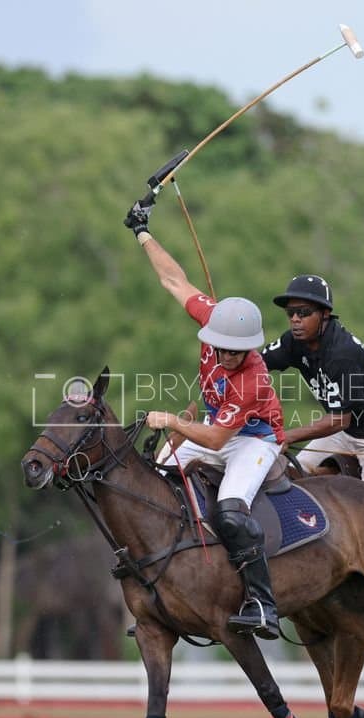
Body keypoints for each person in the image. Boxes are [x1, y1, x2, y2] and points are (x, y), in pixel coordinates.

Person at [123, 197, 284, 640]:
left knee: (231, 512)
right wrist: (143, 234)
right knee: (153, 482)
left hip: (254, 440)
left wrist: (172, 421)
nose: (229, 356)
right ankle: (160, 589)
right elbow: (174, 280)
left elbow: (215, 440)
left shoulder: (252, 377)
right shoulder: (213, 320)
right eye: (224, 347)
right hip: (216, 425)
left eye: (239, 349)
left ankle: (263, 604)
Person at [260, 274, 364, 495]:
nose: (295, 318)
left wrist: (288, 436)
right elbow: (256, 365)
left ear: (325, 314)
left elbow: (340, 419)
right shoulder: (293, 341)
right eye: (290, 312)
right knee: (288, 475)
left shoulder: (343, 354)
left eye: (304, 312)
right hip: (347, 433)